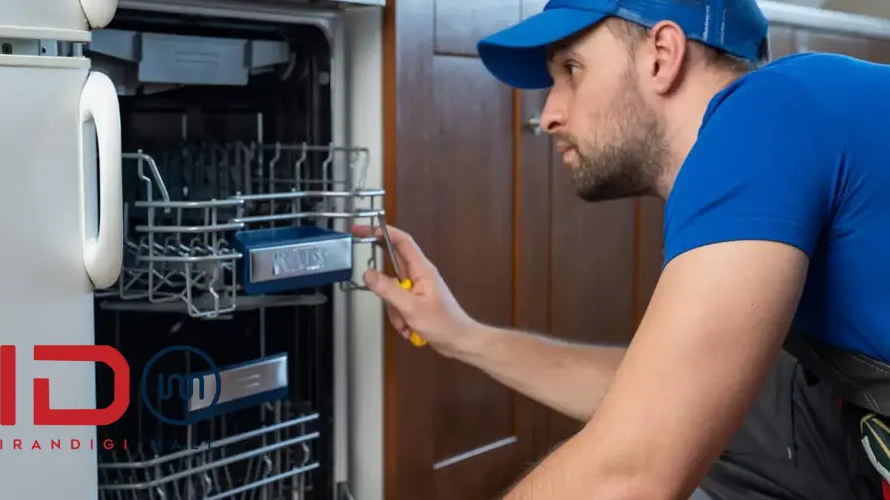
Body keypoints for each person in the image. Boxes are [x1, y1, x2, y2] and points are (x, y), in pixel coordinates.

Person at [354, 0, 890, 498]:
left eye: (571, 70)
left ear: (662, 55)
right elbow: (660, 402)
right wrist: (460, 335)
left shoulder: (768, 114)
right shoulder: (789, 118)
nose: (549, 114)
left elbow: (633, 468)